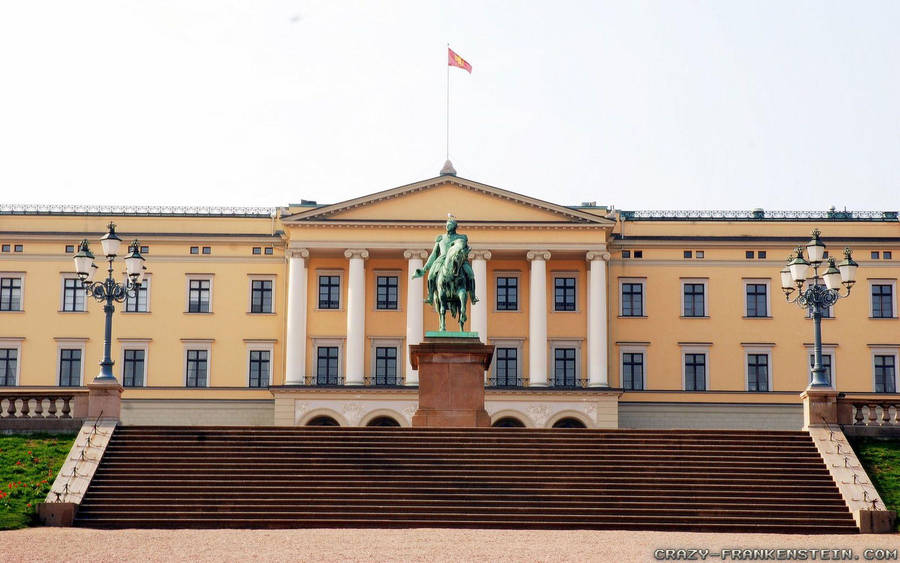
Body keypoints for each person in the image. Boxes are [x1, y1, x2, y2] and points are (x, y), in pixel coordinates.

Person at [412, 215, 479, 305]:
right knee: (431, 275)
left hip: (459, 261)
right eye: (447, 225)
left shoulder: (462, 238)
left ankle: (473, 296)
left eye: (450, 225)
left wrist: (462, 255)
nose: (447, 227)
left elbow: (465, 250)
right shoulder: (441, 238)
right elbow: (434, 254)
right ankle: (430, 296)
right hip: (442, 259)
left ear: (455, 227)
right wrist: (425, 268)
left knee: (470, 274)